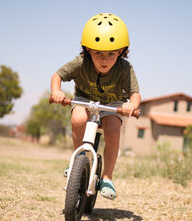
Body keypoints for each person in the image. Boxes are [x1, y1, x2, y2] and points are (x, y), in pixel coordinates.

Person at [51, 13, 141, 199]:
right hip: (84, 99)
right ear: (88, 50)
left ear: (122, 51)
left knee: (113, 129)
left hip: (113, 103)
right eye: (98, 53)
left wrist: (131, 105)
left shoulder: (124, 68)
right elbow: (57, 76)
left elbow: (135, 93)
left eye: (111, 54)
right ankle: (77, 161)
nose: (104, 59)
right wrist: (57, 91)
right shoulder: (80, 63)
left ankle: (107, 177)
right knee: (78, 119)